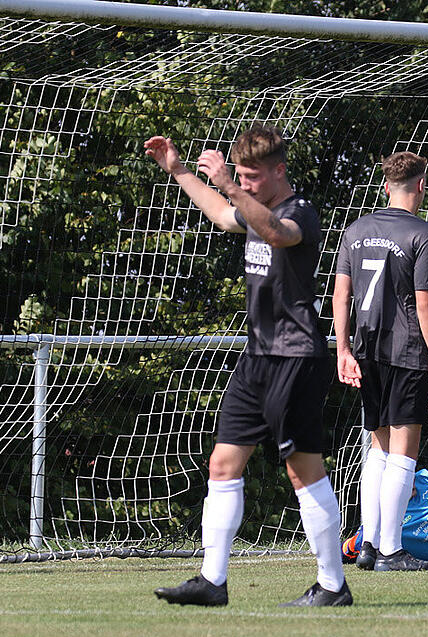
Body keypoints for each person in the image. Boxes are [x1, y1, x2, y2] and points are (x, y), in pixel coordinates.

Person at [144, 126, 351, 607]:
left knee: (304, 473)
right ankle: (212, 582)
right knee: (222, 463)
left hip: (295, 358)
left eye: (254, 177)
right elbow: (221, 215)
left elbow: (276, 234)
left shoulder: (300, 212)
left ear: (280, 170)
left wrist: (230, 185)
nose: (246, 184)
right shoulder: (250, 201)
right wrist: (177, 170)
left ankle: (333, 586)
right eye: (241, 176)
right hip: (256, 357)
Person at [333, 151, 428, 572]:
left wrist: (343, 350)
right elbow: (425, 302)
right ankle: (390, 550)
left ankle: (366, 545)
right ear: (421, 185)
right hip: (406, 350)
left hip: (365, 350)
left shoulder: (356, 229)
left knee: (377, 447)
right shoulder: (423, 233)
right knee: (403, 450)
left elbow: (340, 295)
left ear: (386, 186)